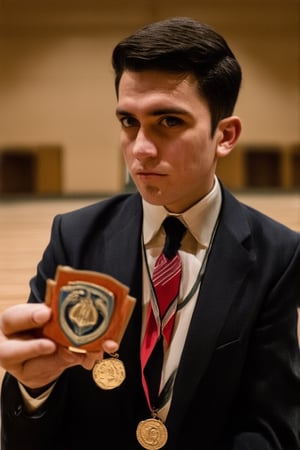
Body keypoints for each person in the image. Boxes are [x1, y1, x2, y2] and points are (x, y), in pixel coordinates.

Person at [0, 16, 299, 450]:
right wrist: (33, 390)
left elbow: (271, 425)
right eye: (128, 122)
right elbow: (35, 430)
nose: (140, 148)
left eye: (169, 122)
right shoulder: (75, 236)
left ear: (225, 135)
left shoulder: (278, 254)